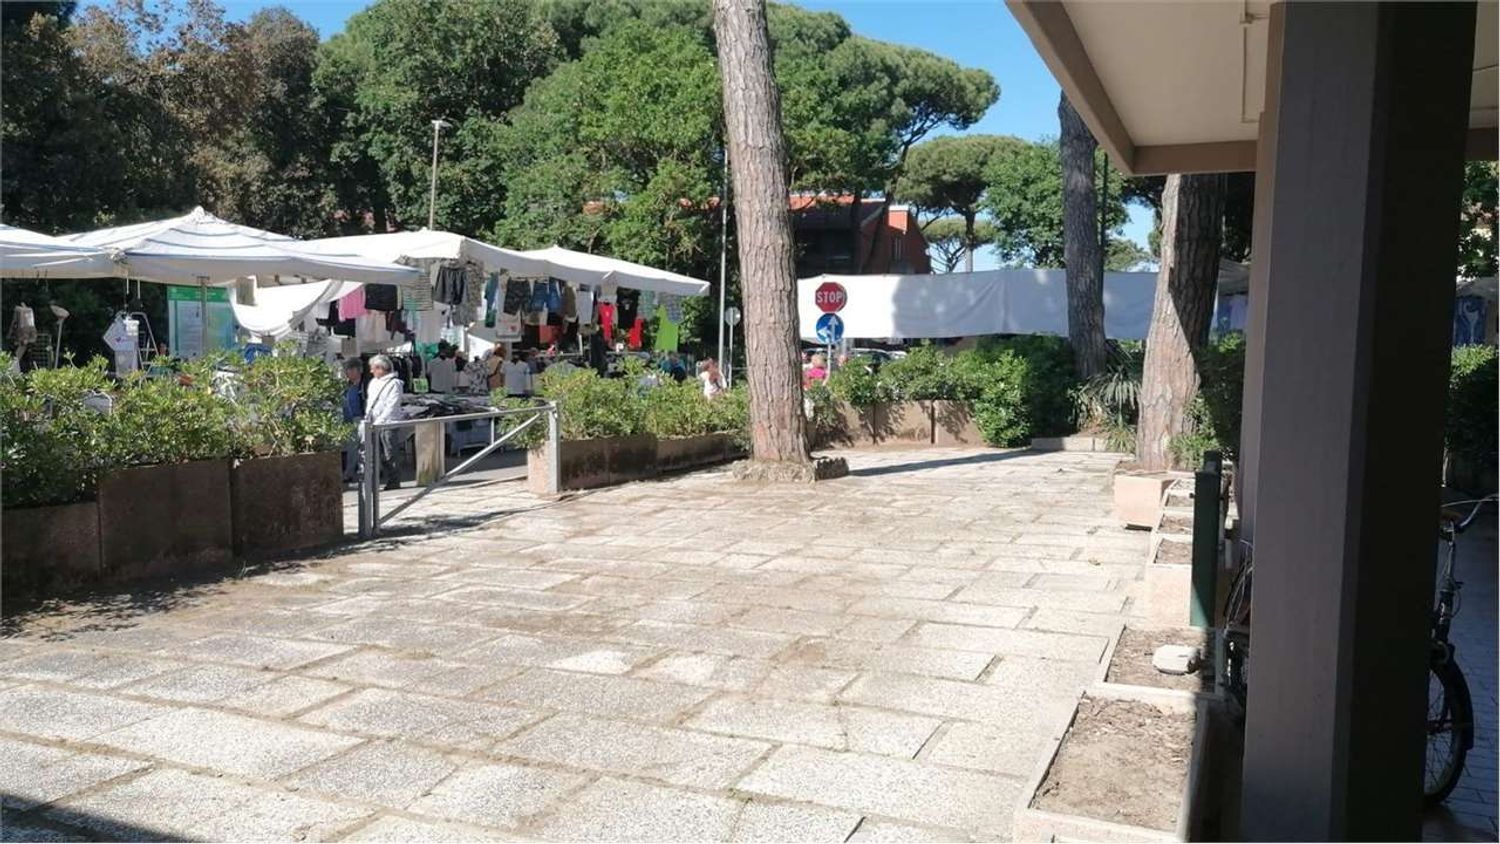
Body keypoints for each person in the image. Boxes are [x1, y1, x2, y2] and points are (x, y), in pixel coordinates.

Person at [365, 354, 405, 491]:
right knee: (376, 454)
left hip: (388, 423)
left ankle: (394, 481)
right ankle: (376, 481)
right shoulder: (373, 382)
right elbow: (370, 402)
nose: (371, 371)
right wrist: (368, 418)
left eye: (373, 368)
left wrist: (380, 421)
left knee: (390, 453)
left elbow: (392, 406)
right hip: (373, 423)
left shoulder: (395, 384)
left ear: (381, 368)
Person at [340, 358, 365, 483]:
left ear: (356, 370)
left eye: (348, 370)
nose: (346, 373)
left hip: (360, 418)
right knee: (355, 447)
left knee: (355, 448)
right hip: (349, 420)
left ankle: (349, 473)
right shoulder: (348, 386)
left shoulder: (364, 385)